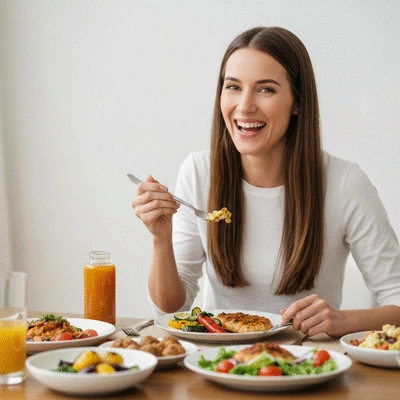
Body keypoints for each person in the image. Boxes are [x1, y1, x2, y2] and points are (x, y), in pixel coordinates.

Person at [132, 26, 400, 338]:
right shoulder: (199, 171)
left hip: (305, 367)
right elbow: (171, 310)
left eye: (266, 90)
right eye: (233, 87)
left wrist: (343, 320)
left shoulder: (344, 183)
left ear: (297, 102)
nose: (244, 106)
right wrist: (159, 237)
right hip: (217, 362)